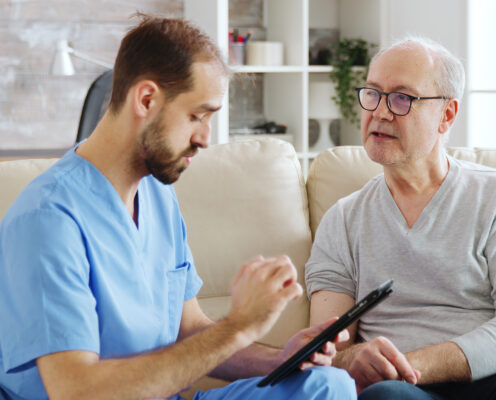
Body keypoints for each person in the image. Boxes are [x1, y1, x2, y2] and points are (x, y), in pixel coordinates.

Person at [0, 16, 356, 400]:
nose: (205, 138)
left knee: (328, 385)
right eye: (196, 116)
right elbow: (75, 390)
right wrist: (238, 326)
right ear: (146, 100)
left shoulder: (157, 193)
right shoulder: (48, 219)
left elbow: (189, 331)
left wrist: (281, 359)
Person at [305, 36, 496, 400]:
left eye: (402, 98)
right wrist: (352, 359)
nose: (380, 112)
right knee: (386, 398)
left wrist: (415, 364)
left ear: (446, 115)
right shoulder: (342, 220)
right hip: (408, 392)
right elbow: (325, 350)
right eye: (373, 93)